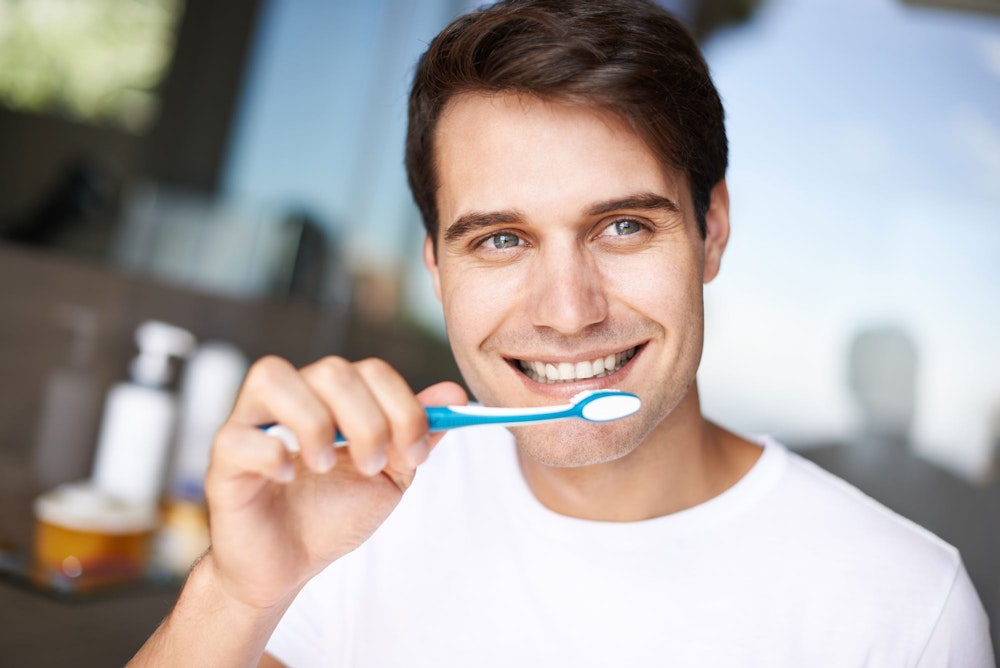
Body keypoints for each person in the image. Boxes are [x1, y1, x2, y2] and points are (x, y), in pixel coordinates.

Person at [129, 1, 994, 665]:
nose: (568, 310)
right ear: (437, 269)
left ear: (712, 231)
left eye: (622, 226)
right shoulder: (355, 514)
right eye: (500, 240)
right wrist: (237, 593)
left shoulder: (903, 607)